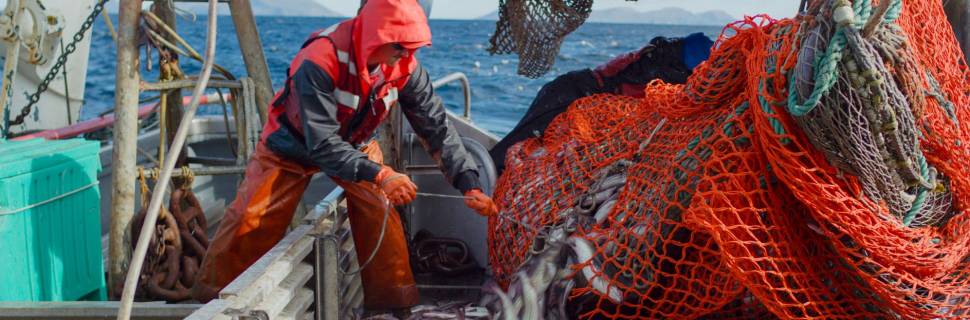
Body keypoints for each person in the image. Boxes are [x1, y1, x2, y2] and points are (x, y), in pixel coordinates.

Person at [191, 0, 498, 312]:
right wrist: (381, 174)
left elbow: (437, 129)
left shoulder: (406, 68)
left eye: (412, 47)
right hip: (292, 146)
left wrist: (469, 183)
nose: (407, 55)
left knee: (380, 209)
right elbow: (322, 143)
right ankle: (209, 304)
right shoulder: (319, 59)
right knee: (249, 220)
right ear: (376, 36)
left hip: (356, 145)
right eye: (400, 46)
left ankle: (393, 307)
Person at [490, 33, 715, 173]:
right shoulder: (657, 64)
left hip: (588, 106)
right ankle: (478, 182)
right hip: (572, 92)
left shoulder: (664, 56)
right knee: (517, 145)